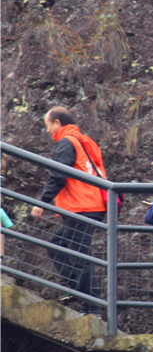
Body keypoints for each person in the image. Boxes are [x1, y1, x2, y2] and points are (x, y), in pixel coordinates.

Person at [30, 106, 107, 316]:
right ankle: (79, 291)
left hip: (81, 207)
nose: (47, 131)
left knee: (79, 257)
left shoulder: (67, 142)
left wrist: (43, 202)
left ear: (57, 123)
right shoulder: (85, 140)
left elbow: (58, 174)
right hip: (92, 204)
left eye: (48, 125)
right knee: (58, 245)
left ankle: (92, 308)